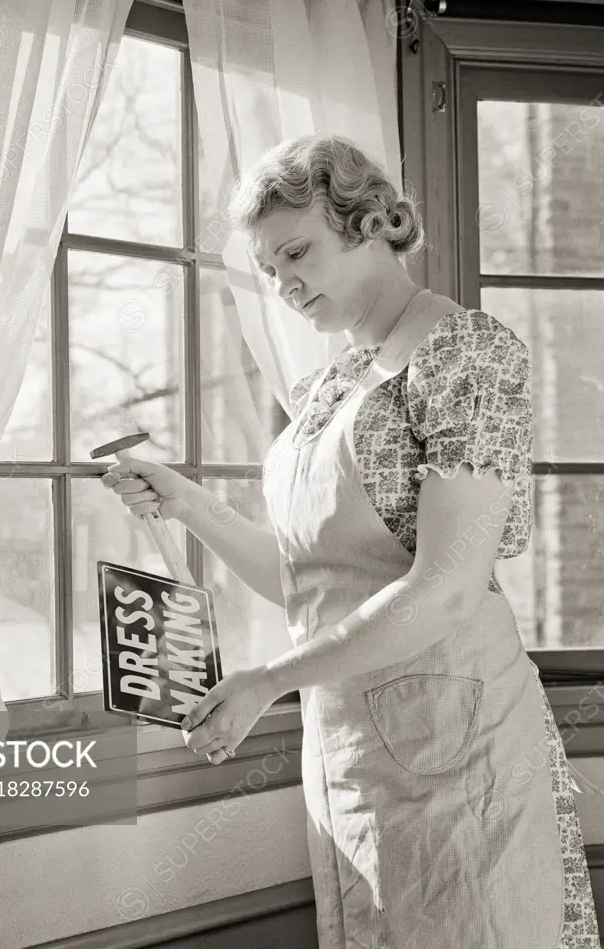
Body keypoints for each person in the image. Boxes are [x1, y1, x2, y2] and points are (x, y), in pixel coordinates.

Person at [101, 135, 599, 948]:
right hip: (352, 748)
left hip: (457, 736)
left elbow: (443, 587)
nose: (285, 283)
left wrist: (269, 679)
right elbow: (308, 581)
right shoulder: (329, 387)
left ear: (370, 223)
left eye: (296, 251)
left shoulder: (463, 354)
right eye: (269, 269)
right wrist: (188, 505)